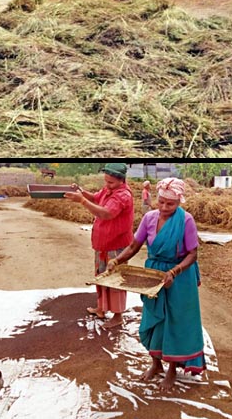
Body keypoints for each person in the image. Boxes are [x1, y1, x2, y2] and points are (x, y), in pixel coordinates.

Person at [103, 178, 204, 391]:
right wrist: (117, 260)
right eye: (162, 202)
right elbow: (134, 245)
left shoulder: (186, 220)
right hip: (154, 273)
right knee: (153, 319)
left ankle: (172, 370)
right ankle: (156, 364)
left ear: (179, 202)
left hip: (179, 276)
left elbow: (193, 254)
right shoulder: (149, 218)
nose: (165, 208)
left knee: (175, 322)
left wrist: (173, 272)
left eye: (171, 204)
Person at [64, 163, 134, 329]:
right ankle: (101, 308)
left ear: (121, 180)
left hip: (117, 247)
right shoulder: (108, 190)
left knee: (115, 279)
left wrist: (81, 201)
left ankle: (118, 316)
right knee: (101, 275)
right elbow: (96, 198)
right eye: (106, 181)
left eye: (111, 182)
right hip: (103, 244)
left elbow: (106, 213)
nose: (107, 184)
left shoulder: (123, 196)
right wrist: (82, 192)